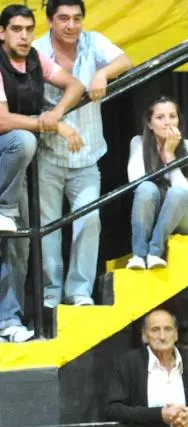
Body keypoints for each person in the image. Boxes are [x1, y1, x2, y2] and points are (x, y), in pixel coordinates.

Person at [35, 0, 132, 308]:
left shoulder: (93, 41)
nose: (71, 25)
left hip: (88, 154)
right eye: (63, 18)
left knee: (89, 221)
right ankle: (50, 296)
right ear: (50, 21)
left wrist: (103, 74)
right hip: (48, 152)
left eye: (77, 18)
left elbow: (125, 60)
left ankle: (79, 292)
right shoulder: (37, 51)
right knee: (48, 228)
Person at [0, 3, 85, 343]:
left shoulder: (35, 58)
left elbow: (75, 85)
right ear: (2, 32)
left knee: (17, 245)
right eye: (16, 29)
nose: (23, 36)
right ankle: (4, 208)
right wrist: (48, 125)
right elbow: (3, 122)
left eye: (28, 29)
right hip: (7, 153)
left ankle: (9, 320)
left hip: (15, 166)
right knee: (23, 139)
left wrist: (57, 115)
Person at [125, 96, 188, 270]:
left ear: (179, 120)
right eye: (160, 118)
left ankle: (154, 253)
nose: (168, 122)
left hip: (183, 217)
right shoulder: (138, 143)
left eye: (172, 116)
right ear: (150, 123)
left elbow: (185, 192)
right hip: (154, 212)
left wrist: (170, 155)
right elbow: (135, 183)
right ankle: (139, 255)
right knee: (146, 188)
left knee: (177, 193)